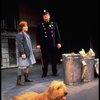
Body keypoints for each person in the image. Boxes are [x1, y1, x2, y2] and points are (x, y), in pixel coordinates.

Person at [36, 10, 61, 77]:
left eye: (47, 15)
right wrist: (38, 44)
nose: (45, 17)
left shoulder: (54, 24)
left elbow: (57, 34)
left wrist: (58, 42)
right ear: (43, 17)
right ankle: (44, 73)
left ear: (49, 16)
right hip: (44, 45)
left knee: (54, 59)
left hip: (53, 44)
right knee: (45, 60)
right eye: (44, 16)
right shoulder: (40, 25)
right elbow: (38, 35)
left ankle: (54, 72)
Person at [16, 21, 36, 85]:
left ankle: (26, 78)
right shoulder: (20, 34)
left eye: (27, 26)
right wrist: (22, 53)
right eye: (25, 26)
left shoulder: (27, 34)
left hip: (27, 53)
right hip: (23, 54)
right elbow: (20, 44)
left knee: (27, 66)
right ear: (22, 27)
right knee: (21, 67)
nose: (27, 27)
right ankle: (18, 81)